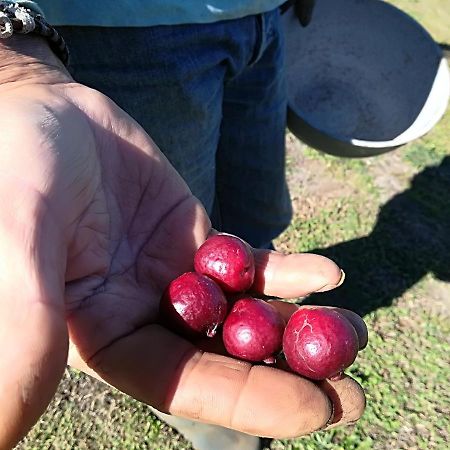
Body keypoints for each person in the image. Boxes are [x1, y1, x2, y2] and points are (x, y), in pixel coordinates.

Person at [0, 1, 366, 449]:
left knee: (255, 221)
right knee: (162, 248)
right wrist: (14, 67)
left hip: (260, 16)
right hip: (128, 32)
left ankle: (245, 359)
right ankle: (213, 421)